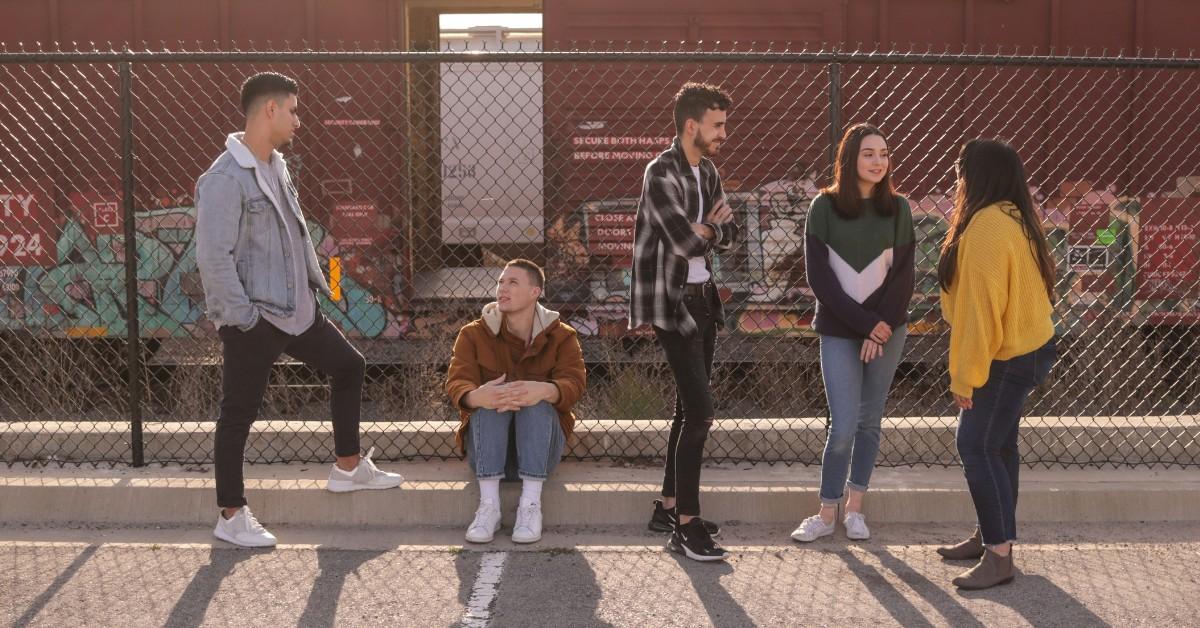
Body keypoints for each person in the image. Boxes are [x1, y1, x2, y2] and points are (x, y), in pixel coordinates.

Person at [195, 72, 402, 548]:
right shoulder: (224, 178)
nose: (298, 120)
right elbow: (212, 257)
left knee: (350, 366)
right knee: (238, 414)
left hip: (297, 310)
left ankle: (347, 467)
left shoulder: (277, 165)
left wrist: (315, 288)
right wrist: (244, 319)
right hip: (257, 318)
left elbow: (293, 233)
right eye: (292, 110)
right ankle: (231, 515)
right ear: (269, 110)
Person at [936, 139, 1058, 590]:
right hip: (1026, 347)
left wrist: (965, 375)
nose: (956, 180)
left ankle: (999, 556)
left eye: (960, 171)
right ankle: (992, 535)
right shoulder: (1013, 216)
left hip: (1005, 355)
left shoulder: (988, 224)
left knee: (975, 445)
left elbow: (981, 310)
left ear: (977, 176)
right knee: (1000, 446)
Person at [630, 82, 740, 562]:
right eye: (717, 125)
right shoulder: (661, 172)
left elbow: (729, 234)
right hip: (673, 303)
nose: (724, 134)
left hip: (704, 300)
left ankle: (670, 507)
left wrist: (709, 229)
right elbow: (682, 242)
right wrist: (709, 228)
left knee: (686, 410)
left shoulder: (708, 170)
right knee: (700, 411)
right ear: (691, 125)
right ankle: (687, 529)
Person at [790, 123, 915, 544]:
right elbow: (820, 280)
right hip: (842, 332)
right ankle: (826, 512)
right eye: (868, 154)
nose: (878, 161)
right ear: (850, 159)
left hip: (887, 330)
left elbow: (903, 278)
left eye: (883, 153)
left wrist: (879, 330)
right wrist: (866, 326)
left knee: (869, 422)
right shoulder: (822, 208)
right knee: (842, 425)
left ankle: (855, 510)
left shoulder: (899, 208)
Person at [446, 259, 586, 544]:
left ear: (535, 292)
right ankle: (489, 508)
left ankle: (530, 506)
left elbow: (575, 383)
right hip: (486, 452)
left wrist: (545, 391)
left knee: (535, 400)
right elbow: (457, 381)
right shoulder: (473, 334)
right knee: (492, 398)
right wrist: (476, 396)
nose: (502, 288)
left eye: (513, 282)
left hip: (540, 455)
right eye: (500, 282)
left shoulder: (562, 336)